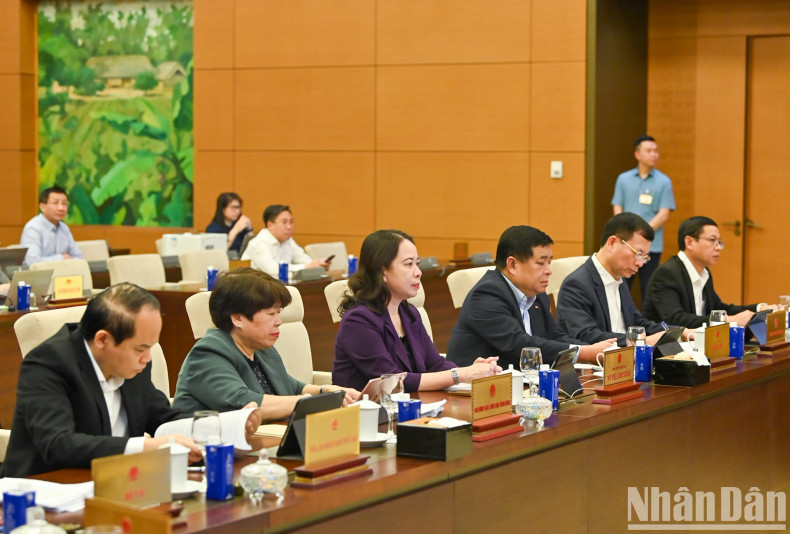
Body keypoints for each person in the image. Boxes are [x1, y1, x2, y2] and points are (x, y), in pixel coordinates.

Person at [1, 283, 265, 478]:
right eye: (140, 349)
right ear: (103, 339)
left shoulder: (132, 364)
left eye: (151, 347)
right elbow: (58, 445)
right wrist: (147, 446)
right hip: (46, 491)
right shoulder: (48, 364)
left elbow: (162, 417)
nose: (147, 358)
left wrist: (224, 425)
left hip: (120, 483)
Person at [173, 268, 359, 418]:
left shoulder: (260, 348)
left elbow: (290, 386)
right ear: (237, 318)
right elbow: (245, 402)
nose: (279, 321)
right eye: (271, 314)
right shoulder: (207, 354)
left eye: (279, 313)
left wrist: (326, 390)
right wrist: (315, 403)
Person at [332, 230, 500, 392]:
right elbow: (393, 381)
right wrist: (460, 375)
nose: (418, 272)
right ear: (382, 270)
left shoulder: (409, 313)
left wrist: (472, 371)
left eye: (417, 264)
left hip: (412, 410)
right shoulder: (358, 320)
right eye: (408, 264)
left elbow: (435, 364)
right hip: (366, 416)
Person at [447, 226, 616, 368]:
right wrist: (585, 353)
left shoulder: (536, 293)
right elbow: (520, 345)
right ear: (512, 265)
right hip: (473, 392)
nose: (549, 270)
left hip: (523, 385)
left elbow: (556, 336)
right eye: (541, 263)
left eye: (550, 262)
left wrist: (594, 350)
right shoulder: (486, 294)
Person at [556, 213, 676, 347]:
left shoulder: (620, 279)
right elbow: (587, 335)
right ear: (612, 243)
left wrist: (678, 332)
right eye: (638, 253)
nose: (640, 263)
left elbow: (639, 323)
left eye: (644, 257)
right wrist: (641, 342)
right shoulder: (576, 285)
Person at [642, 216, 775, 328]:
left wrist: (758, 309)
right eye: (712, 240)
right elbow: (675, 320)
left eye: (720, 242)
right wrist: (729, 320)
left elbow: (718, 309)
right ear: (689, 242)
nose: (718, 247)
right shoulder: (668, 273)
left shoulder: (704, 272)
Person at [611, 135, 675, 296]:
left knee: (649, 288)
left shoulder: (664, 181)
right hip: (626, 244)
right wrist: (625, 231)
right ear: (638, 154)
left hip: (651, 246)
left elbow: (664, 213)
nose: (654, 154)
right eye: (649, 151)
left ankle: (648, 321)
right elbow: (618, 206)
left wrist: (641, 235)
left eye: (656, 151)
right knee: (621, 285)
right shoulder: (623, 179)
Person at [241, 205, 328, 277]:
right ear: (270, 225)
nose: (289, 227)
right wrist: (306, 267)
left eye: (291, 222)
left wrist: (319, 265)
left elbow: (305, 261)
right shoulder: (258, 243)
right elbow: (272, 270)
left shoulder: (288, 240)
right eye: (284, 222)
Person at [20, 185, 83, 266]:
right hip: (39, 277)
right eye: (55, 203)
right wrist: (62, 258)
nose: (61, 208)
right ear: (42, 207)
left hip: (63, 275)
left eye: (64, 203)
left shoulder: (64, 228)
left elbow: (79, 257)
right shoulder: (33, 228)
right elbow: (33, 262)